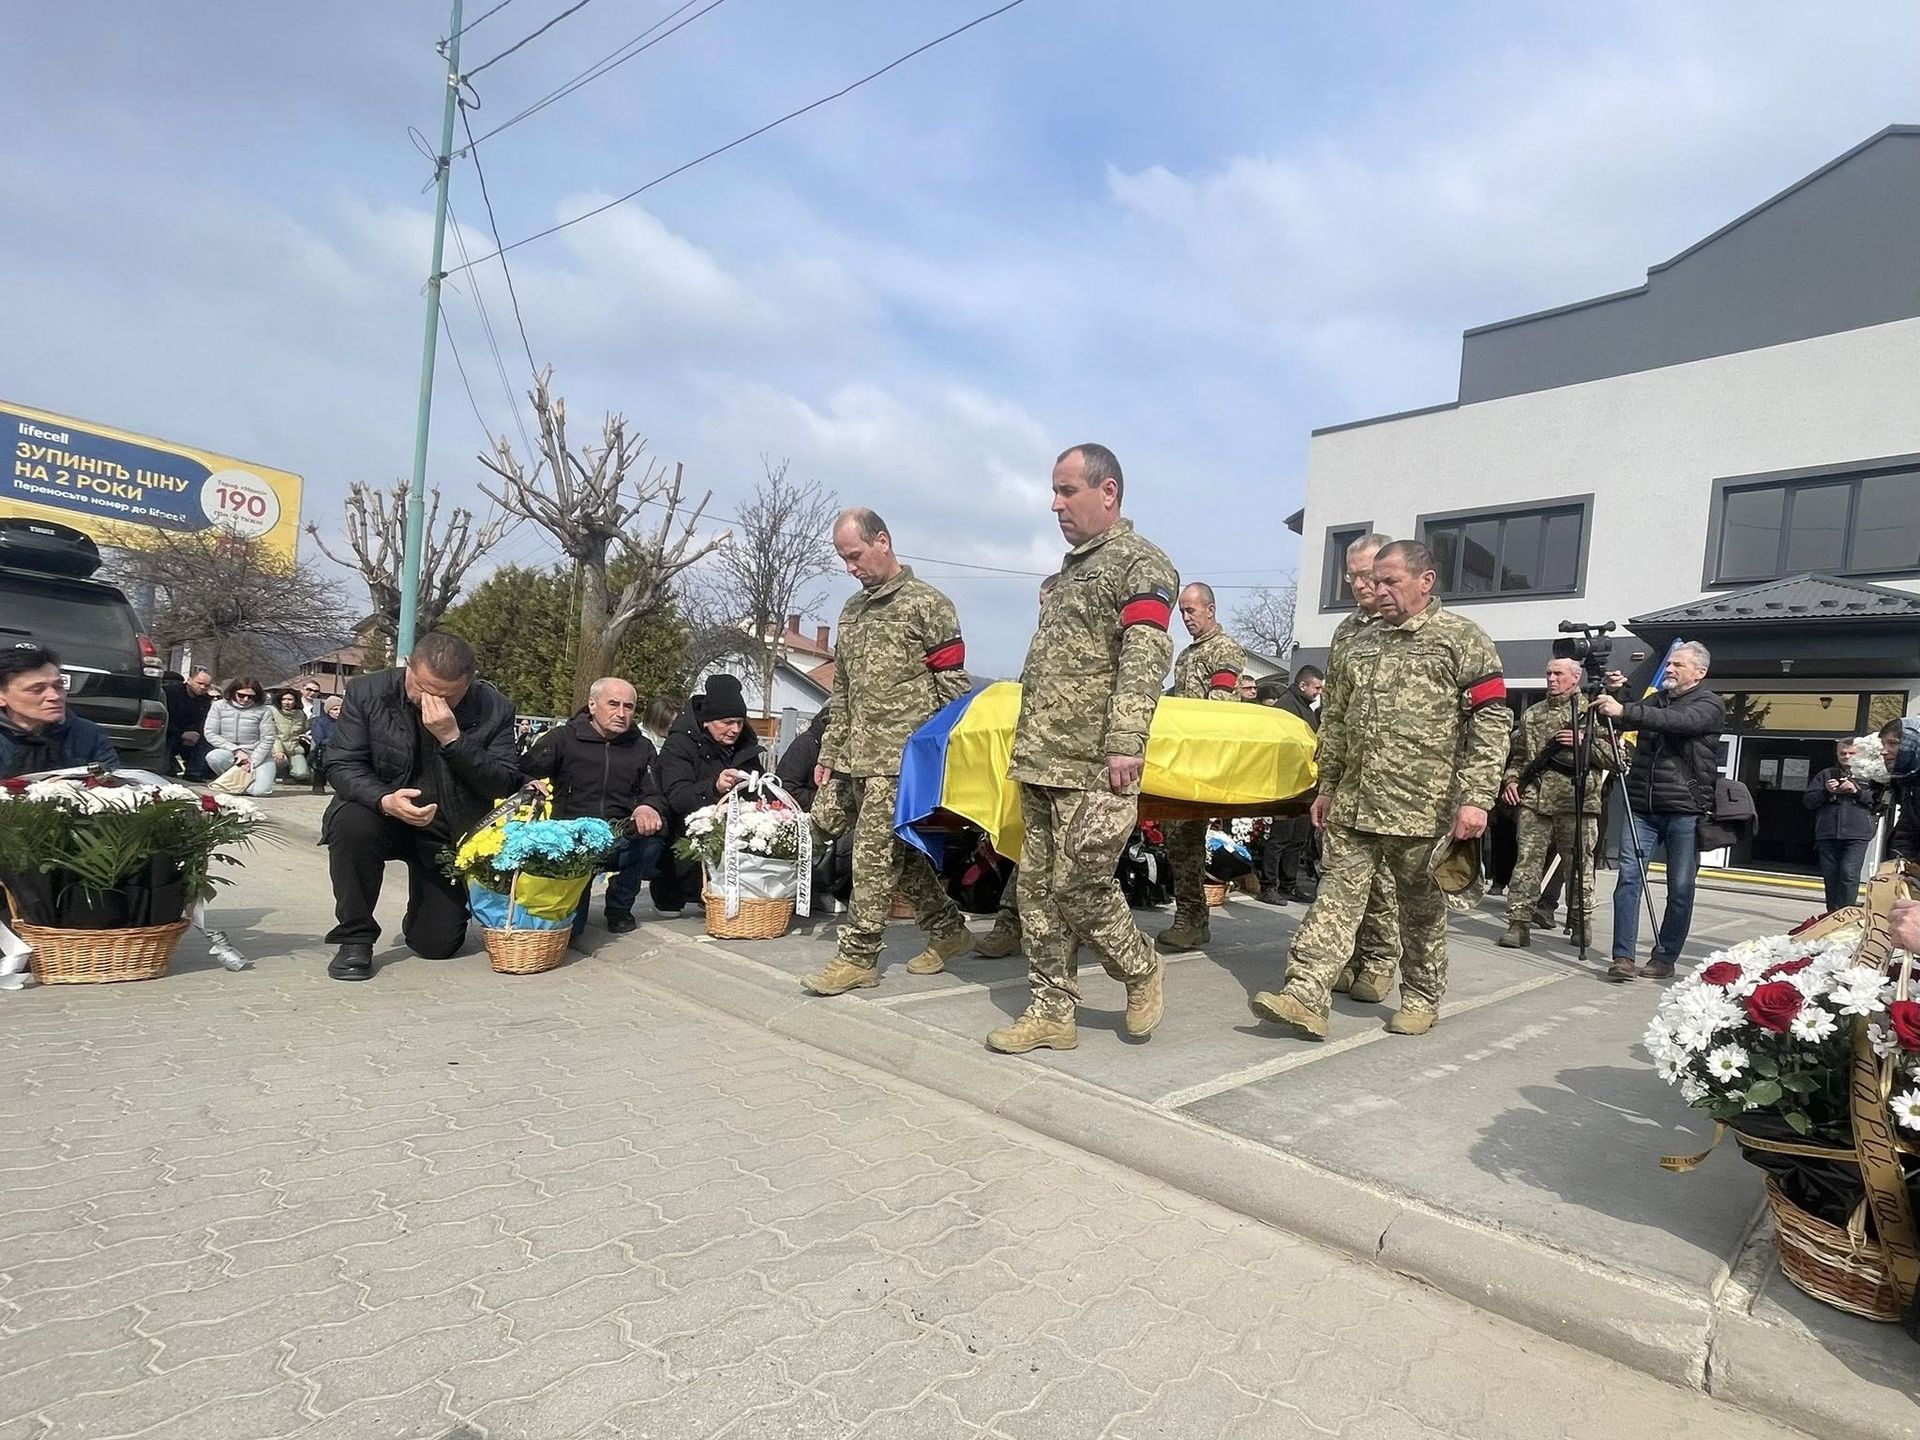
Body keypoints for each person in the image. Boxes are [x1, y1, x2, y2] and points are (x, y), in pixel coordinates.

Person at [1250, 540, 1508, 1039]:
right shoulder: (1356, 636)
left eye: (1390, 581)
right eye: (1373, 580)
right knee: (1334, 899)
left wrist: (1477, 797)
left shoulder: (1461, 639)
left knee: (1419, 909)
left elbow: (1492, 722)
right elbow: (1339, 718)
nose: (1377, 590)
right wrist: (1327, 784)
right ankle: (1304, 994)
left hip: (1422, 807)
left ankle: (1421, 995)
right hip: (1353, 799)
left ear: (1425, 581)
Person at [988, 443, 1175, 1055]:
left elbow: (1145, 656)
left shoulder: (1140, 564)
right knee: (1038, 891)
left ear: (1109, 492)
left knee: (1082, 885)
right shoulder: (1069, 572)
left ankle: (1140, 968)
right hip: (1043, 756)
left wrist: (1126, 742)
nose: (1055, 503)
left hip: (1097, 761)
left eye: (1068, 491)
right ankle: (1051, 1011)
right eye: (1056, 490)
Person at [802, 509, 976, 996]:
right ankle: (948, 930)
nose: (851, 567)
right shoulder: (851, 612)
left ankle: (858, 955)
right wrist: (830, 754)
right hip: (855, 756)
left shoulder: (929, 605)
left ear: (883, 541)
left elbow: (954, 691)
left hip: (902, 760)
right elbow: (844, 694)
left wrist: (946, 759)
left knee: (872, 856)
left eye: (855, 555)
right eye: (843, 559)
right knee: (900, 853)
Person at [321, 632, 523, 981]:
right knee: (350, 823)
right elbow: (341, 763)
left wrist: (453, 738)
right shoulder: (367, 691)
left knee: (437, 946)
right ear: (409, 668)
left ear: (469, 681)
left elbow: (502, 783)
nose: (432, 700)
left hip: (445, 825)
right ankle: (355, 937)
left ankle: (422, 916)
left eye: (447, 694)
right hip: (382, 811)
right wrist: (384, 799)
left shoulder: (495, 708)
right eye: (424, 688)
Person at [1594, 641, 1726, 981]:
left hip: (1684, 810)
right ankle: (1622, 957)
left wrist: (1625, 711)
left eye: (1677, 665)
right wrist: (1618, 694)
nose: (1669, 669)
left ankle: (1665, 956)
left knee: (1680, 887)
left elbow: (1677, 722)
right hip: (1641, 807)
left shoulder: (1708, 704)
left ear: (1700, 672)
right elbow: (1628, 720)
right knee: (1628, 880)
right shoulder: (1657, 700)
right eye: (1669, 664)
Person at [522, 677, 667, 940]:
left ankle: (620, 905)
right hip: (571, 838)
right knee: (573, 934)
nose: (621, 713)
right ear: (592, 705)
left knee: (654, 831)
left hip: (619, 834)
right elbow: (520, 772)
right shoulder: (562, 739)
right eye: (613, 704)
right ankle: (577, 895)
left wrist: (648, 806)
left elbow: (655, 791)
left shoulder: (642, 747)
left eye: (629, 707)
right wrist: (527, 783)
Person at [1324, 533, 1403, 1000]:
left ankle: (1378, 962)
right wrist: (1327, 778)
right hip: (1351, 775)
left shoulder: (1410, 627)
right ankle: (1346, 957)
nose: (1358, 583)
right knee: (1344, 877)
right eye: (1351, 574)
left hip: (1398, 781)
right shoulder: (1347, 631)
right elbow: (1334, 708)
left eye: (1366, 572)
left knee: (1386, 883)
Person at [1497, 658, 1617, 952]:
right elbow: (1520, 757)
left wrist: (1583, 741)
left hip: (1576, 802)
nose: (1551, 678)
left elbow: (1616, 760)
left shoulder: (1594, 712)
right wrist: (1511, 782)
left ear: (1575, 678)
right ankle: (1519, 923)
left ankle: (1580, 920)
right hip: (1535, 801)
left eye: (1558, 674)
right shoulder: (1533, 714)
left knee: (1579, 865)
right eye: (1549, 673)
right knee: (1526, 863)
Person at [1155, 582, 1247, 954]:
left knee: (1186, 840)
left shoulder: (1225, 649)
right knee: (1178, 843)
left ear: (1210, 609)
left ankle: (1191, 919)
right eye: (1182, 613)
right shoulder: (1188, 655)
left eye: (1191, 611)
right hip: (1183, 759)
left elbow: (1219, 707)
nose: (1186, 618)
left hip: (1204, 762)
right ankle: (1190, 918)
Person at [975, 573, 1058, 962]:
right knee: (1028, 849)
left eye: (1049, 602)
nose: (1043, 611)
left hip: (1072, 767)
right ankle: (1010, 925)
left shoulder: (1089, 642)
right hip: (1034, 763)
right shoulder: (1039, 646)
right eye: (1040, 603)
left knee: (1072, 868)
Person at [655, 674, 765, 909]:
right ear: (706, 721)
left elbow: (759, 786)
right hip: (684, 843)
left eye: (739, 722)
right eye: (726, 722)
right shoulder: (679, 745)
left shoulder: (745, 745)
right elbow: (676, 798)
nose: (735, 729)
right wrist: (713, 787)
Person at [0, 645, 119, 778]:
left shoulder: (87, 734)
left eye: (58, 686)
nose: (55, 696)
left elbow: (113, 786)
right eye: (37, 689)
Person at [1255, 669, 1321, 906]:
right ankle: (1268, 886)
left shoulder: (1305, 708)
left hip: (1303, 782)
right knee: (1280, 837)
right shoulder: (1286, 707)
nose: (1319, 692)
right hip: (1285, 782)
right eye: (1316, 688)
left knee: (1297, 838)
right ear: (1303, 685)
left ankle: (1288, 884)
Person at [1805, 739, 1882, 913]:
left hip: (1857, 833)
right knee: (1830, 876)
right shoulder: (1826, 774)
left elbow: (1879, 803)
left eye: (1851, 753)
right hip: (1828, 832)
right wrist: (1827, 791)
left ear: (1859, 753)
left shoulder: (1870, 775)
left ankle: (1846, 914)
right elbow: (1809, 801)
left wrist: (1857, 792)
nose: (1846, 756)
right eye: (1842, 753)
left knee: (1848, 874)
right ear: (1837, 754)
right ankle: (1832, 914)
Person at [204, 678, 279, 796]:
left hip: (258, 755)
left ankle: (237, 785)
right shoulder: (219, 706)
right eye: (241, 695)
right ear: (233, 691)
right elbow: (210, 733)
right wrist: (236, 750)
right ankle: (230, 779)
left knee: (261, 791)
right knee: (214, 757)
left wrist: (252, 761)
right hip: (231, 753)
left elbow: (268, 738)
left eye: (250, 697)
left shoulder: (264, 710)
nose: (246, 699)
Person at [164, 666, 216, 780]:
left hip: (191, 736)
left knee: (206, 741)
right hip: (168, 732)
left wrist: (195, 734)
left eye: (207, 686)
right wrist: (181, 734)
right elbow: (163, 719)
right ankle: (167, 767)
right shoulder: (170, 693)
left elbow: (203, 722)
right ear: (189, 680)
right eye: (199, 683)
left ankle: (193, 773)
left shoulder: (205, 700)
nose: (202, 687)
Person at [271, 689, 313, 784]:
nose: (287, 702)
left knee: (301, 774)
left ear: (295, 701)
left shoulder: (300, 714)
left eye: (290, 700)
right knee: (280, 760)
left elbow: (304, 729)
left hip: (294, 748)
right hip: (275, 748)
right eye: (284, 699)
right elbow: (272, 735)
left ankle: (293, 772)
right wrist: (278, 751)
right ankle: (278, 773)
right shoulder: (272, 712)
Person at [309, 695, 343, 794]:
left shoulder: (348, 722)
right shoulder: (319, 721)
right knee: (320, 755)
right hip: (325, 749)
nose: (338, 712)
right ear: (328, 710)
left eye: (341, 709)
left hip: (343, 749)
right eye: (335, 709)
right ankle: (318, 784)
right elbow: (319, 740)